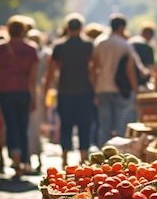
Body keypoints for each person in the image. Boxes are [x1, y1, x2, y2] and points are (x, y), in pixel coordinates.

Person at [0, 16, 39, 179]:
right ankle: (24, 161)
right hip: (23, 91)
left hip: (5, 91)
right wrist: (34, 97)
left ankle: (15, 160)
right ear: (24, 30)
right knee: (23, 125)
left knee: (10, 125)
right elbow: (33, 77)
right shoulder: (31, 49)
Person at [43, 13, 95, 166]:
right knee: (84, 125)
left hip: (65, 90)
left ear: (66, 28)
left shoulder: (59, 46)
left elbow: (51, 71)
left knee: (66, 124)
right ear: (82, 28)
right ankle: (83, 156)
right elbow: (93, 69)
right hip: (85, 90)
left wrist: (48, 89)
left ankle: (65, 156)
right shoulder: (88, 45)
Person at [91, 13, 138, 147]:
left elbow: (93, 67)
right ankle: (118, 155)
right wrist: (135, 89)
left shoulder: (100, 42)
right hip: (120, 89)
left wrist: (95, 87)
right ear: (122, 27)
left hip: (102, 87)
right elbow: (129, 70)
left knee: (104, 125)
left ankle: (102, 156)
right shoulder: (124, 44)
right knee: (120, 126)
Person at [25, 28, 49, 173]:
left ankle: (28, 157)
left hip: (27, 90)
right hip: (38, 91)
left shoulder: (31, 54)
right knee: (35, 127)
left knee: (28, 126)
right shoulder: (45, 54)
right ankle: (37, 156)